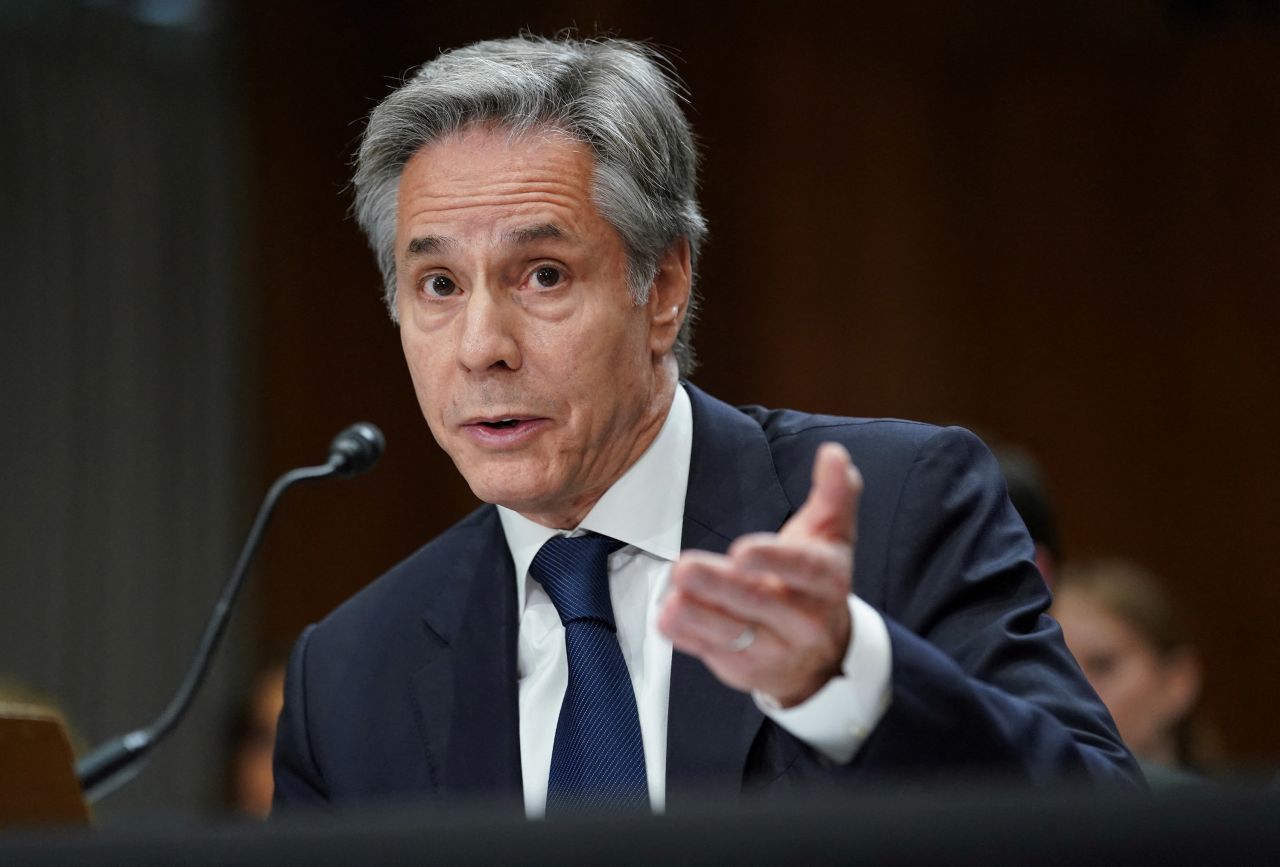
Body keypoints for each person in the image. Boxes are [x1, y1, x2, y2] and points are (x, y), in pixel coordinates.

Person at [272, 35, 1139, 817]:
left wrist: (846, 679)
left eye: (542, 275)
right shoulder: (349, 677)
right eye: (439, 286)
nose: (482, 347)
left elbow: (1112, 836)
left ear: (665, 286)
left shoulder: (903, 510)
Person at [1051, 559, 1206, 788]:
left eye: (1102, 664)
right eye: (1058, 667)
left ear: (1177, 680)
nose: (1072, 691)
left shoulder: (1242, 819)